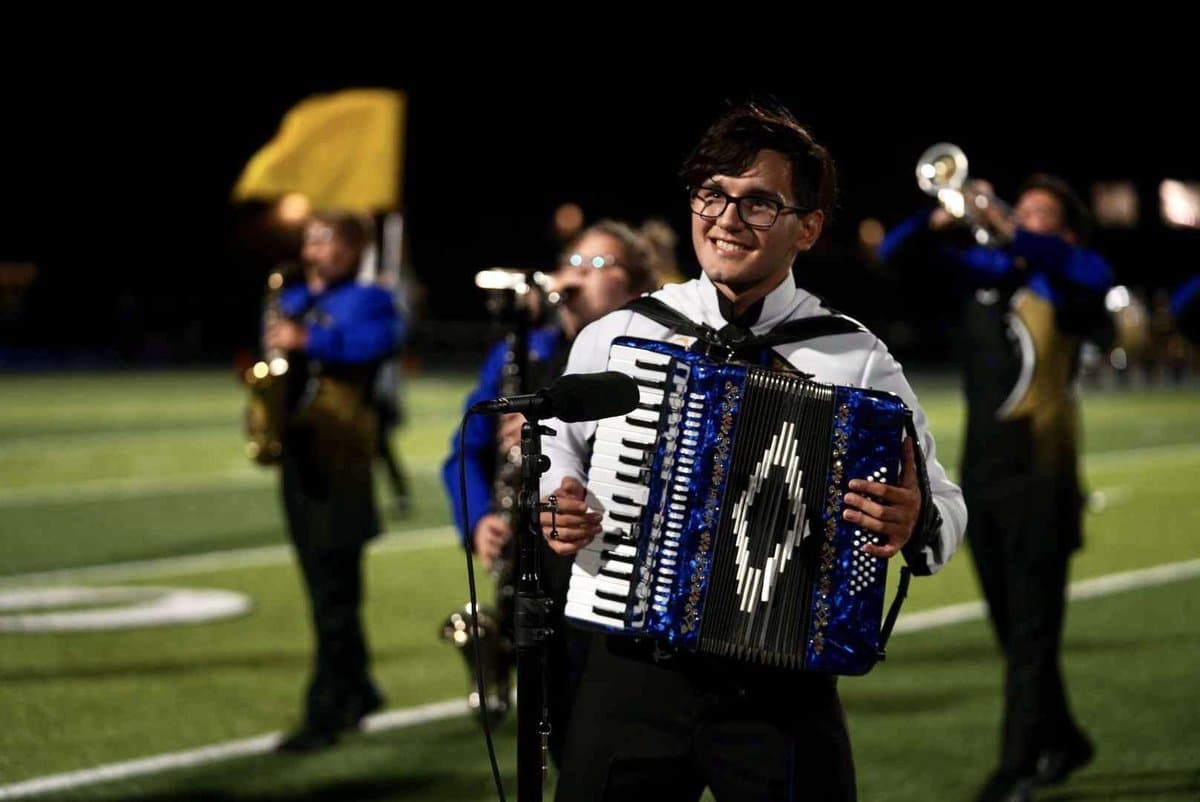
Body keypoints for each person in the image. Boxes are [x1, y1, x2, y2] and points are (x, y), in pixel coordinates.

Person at [537, 101, 966, 802]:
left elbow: (944, 501)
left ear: (808, 228)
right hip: (633, 671)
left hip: (782, 689)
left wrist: (915, 518)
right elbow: (556, 442)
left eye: (759, 203)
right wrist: (555, 496)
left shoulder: (854, 358)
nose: (727, 219)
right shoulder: (618, 335)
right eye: (712, 194)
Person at [879, 173, 1113, 801]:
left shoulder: (1068, 283)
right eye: (1020, 209)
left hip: (1044, 480)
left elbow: (1092, 273)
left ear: (1064, 232)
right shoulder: (983, 275)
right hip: (980, 478)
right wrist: (941, 216)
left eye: (1039, 213)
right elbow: (893, 255)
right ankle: (1065, 738)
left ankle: (1014, 770)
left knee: (1032, 637)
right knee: (1013, 634)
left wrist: (1007, 224)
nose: (1021, 216)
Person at [441, 219, 659, 763]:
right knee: (553, 729)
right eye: (573, 263)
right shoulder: (520, 353)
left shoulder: (645, 357)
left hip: (605, 564)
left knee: (606, 735)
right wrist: (477, 520)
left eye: (599, 265)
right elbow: (464, 450)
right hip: (530, 562)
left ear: (636, 287)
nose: (578, 277)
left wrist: (549, 430)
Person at [265, 210, 404, 752]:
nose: (313, 249)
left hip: (339, 455)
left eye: (324, 240)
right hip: (297, 452)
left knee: (334, 591)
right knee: (322, 586)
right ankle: (359, 686)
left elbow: (379, 344)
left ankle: (324, 712)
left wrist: (309, 339)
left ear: (352, 249)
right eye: (309, 239)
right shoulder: (293, 297)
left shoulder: (370, 298)